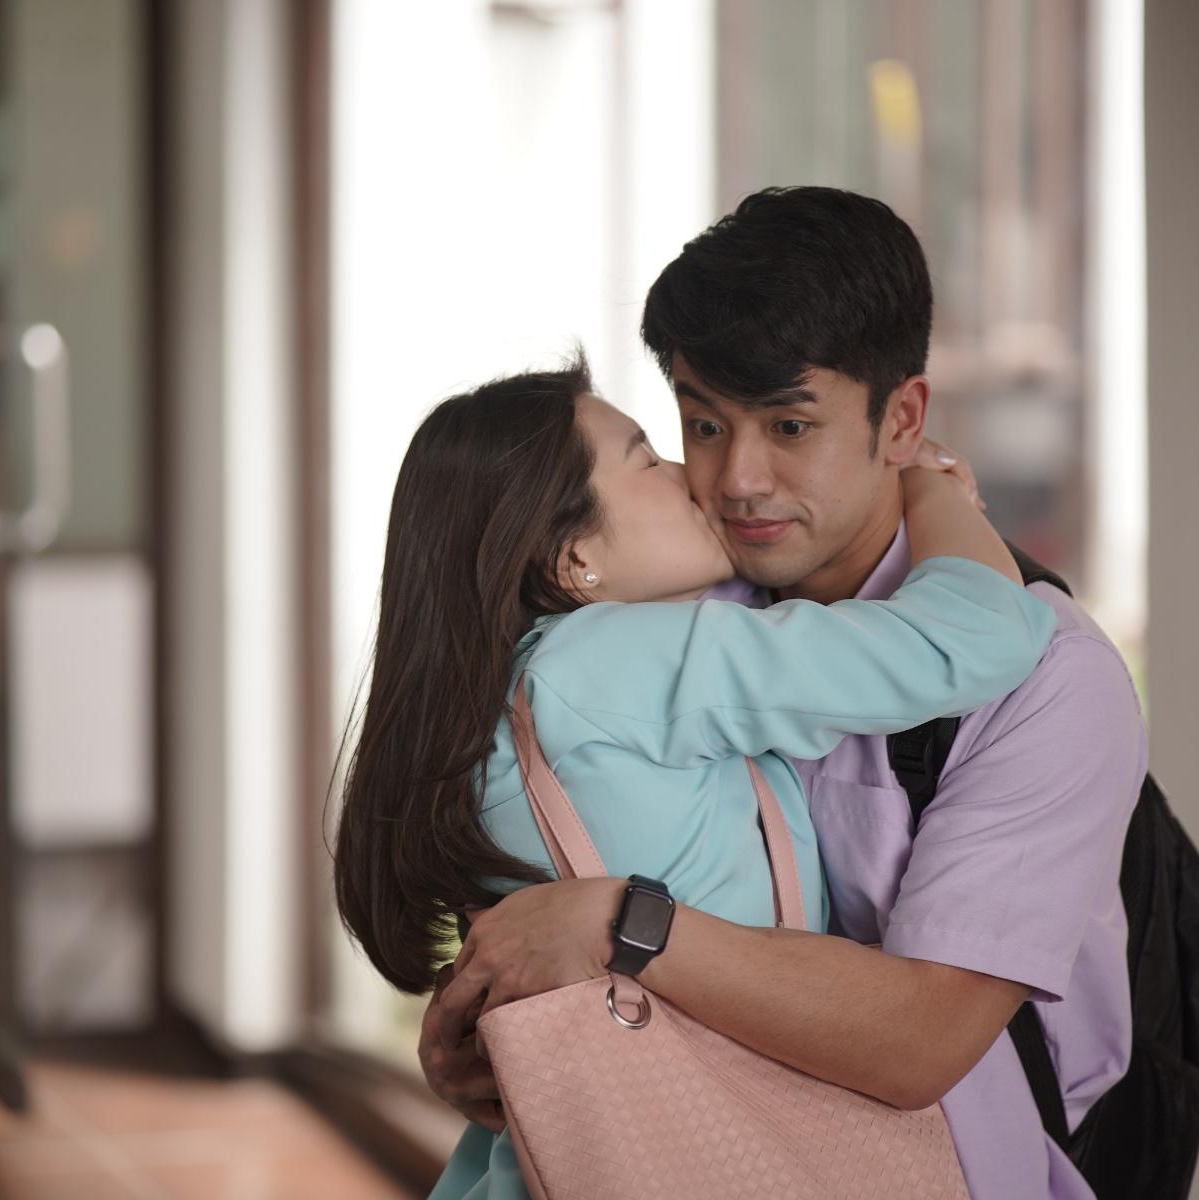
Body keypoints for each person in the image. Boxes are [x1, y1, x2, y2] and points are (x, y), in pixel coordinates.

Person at [422, 188, 1147, 1200]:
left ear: (901, 419)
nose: (737, 480)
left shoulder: (1052, 682)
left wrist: (622, 924)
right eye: (701, 425)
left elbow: (918, 1042)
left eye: (791, 425)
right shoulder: (677, 604)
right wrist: (475, 1025)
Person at [333, 349, 1059, 1198]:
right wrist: (930, 488)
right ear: (574, 559)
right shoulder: (614, 661)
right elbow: (964, 641)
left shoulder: (500, 704)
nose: (693, 477)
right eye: (648, 459)